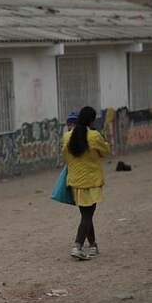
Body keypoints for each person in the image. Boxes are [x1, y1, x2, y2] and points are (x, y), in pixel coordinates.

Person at [61, 106, 111, 261]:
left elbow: (66, 157)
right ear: (91, 120)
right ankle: (77, 246)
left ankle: (93, 245)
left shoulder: (67, 137)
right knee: (88, 215)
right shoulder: (94, 136)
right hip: (91, 182)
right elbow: (106, 152)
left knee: (85, 214)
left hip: (75, 182)